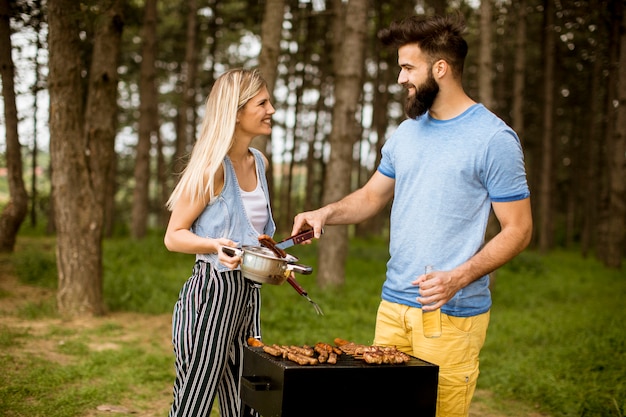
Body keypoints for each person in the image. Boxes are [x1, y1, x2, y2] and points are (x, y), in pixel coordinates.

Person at [291, 13, 533, 417]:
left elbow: (519, 229)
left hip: (451, 317)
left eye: (407, 67)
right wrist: (324, 212)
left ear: (440, 68)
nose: (401, 78)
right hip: (392, 308)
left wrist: (458, 277)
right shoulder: (407, 132)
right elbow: (370, 197)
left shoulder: (494, 139)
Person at [164, 68, 276, 417]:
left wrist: (275, 258)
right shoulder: (211, 169)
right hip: (211, 295)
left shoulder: (259, 162)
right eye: (262, 103)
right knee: (194, 402)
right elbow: (173, 236)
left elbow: (251, 232)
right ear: (237, 111)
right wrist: (214, 246)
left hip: (247, 297)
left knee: (247, 402)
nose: (271, 109)